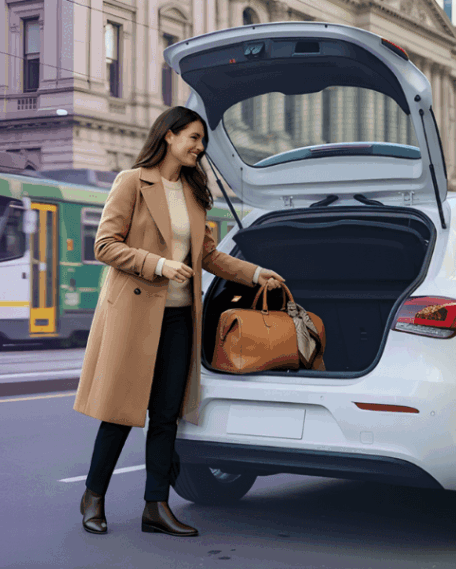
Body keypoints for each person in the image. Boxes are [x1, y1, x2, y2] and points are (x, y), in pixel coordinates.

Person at [73, 106, 286, 537]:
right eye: (193, 138)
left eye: (201, 140)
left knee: (166, 416)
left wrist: (254, 272)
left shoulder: (192, 192)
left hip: (177, 319)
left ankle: (157, 506)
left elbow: (207, 256)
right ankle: (93, 497)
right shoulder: (132, 182)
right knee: (119, 413)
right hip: (133, 315)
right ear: (168, 136)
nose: (199, 147)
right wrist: (159, 265)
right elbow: (105, 245)